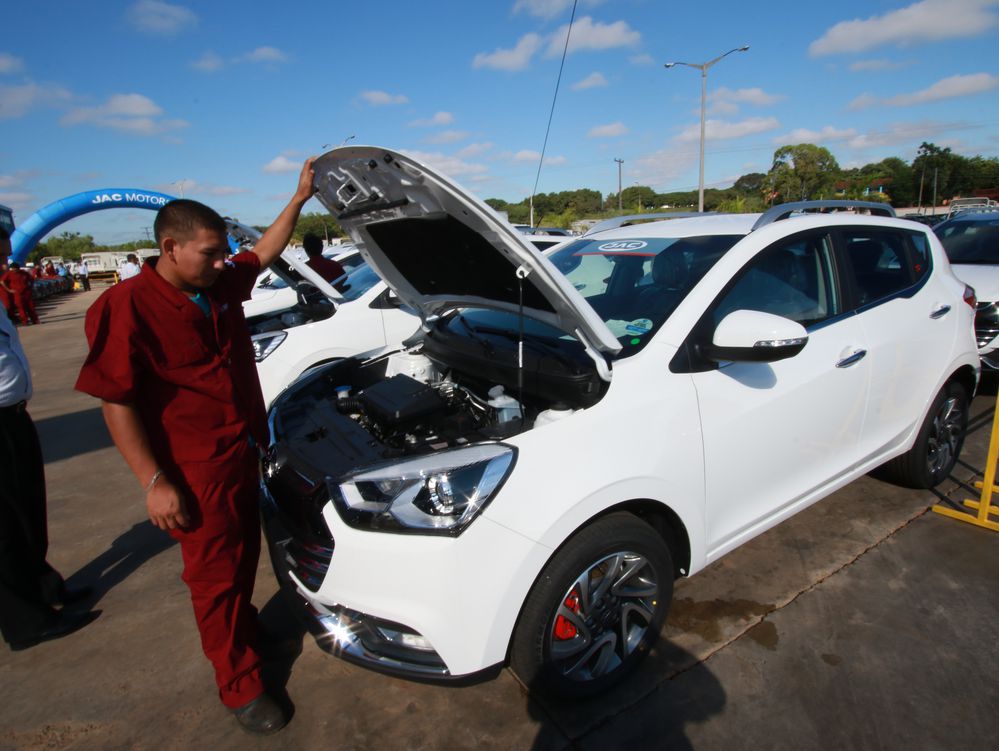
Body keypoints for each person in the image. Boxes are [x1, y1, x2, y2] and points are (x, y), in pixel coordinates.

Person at [75, 159, 316, 735]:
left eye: (222, 252)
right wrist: (154, 482)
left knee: (242, 559)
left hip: (241, 453)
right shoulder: (126, 306)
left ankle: (245, 630)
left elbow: (262, 252)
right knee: (213, 579)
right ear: (170, 247)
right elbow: (116, 401)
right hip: (192, 471)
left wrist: (299, 198)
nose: (221, 261)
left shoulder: (217, 283)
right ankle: (240, 683)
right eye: (209, 253)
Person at [0, 226, 99, 650]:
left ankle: (43, 585)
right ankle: (26, 621)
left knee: (28, 509)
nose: (5, 263)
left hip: (13, 418)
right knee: (5, 527)